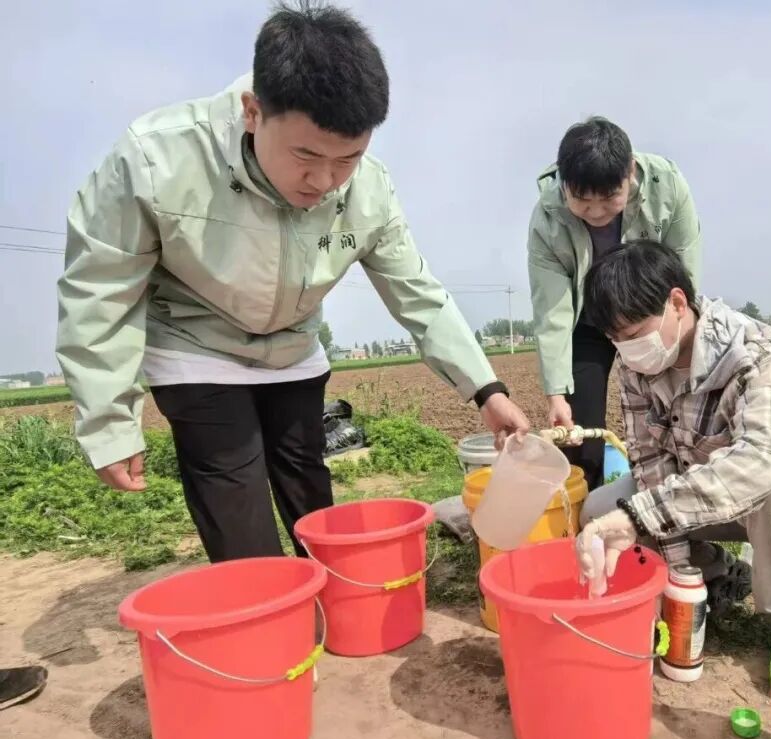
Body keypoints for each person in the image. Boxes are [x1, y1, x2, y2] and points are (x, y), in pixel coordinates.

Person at [56, 3, 529, 564]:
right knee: (241, 519)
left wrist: (486, 389)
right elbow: (100, 286)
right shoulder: (157, 160)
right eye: (306, 155)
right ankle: (265, 620)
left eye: (347, 158)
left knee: (311, 494)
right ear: (253, 111)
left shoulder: (368, 192)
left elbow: (418, 294)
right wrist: (109, 421)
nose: (324, 180)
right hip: (195, 345)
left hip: (294, 345)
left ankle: (332, 601)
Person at [574, 241, 771, 616]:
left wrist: (642, 515)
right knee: (600, 509)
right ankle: (715, 578)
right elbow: (650, 463)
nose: (627, 349)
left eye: (634, 333)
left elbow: (764, 461)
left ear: (677, 303)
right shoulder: (635, 368)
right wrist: (679, 569)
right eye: (614, 339)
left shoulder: (756, 353)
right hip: (696, 490)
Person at [527, 117, 701, 490]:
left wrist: (684, 343)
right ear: (563, 185)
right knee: (579, 432)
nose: (596, 213)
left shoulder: (667, 188)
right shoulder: (547, 219)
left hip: (649, 317)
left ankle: (676, 503)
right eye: (582, 201)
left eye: (609, 199)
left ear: (630, 173)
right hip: (589, 323)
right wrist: (556, 392)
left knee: (673, 411)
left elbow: (685, 271)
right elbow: (552, 310)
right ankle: (587, 513)